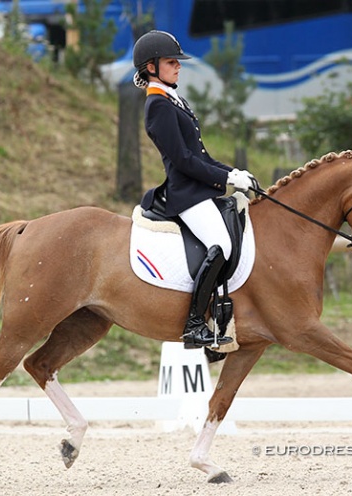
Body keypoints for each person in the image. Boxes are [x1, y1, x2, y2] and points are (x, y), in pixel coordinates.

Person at [133, 30, 254, 349]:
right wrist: (226, 181)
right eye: (171, 62)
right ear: (151, 67)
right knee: (220, 244)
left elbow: (202, 155)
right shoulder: (157, 105)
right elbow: (184, 161)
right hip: (185, 194)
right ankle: (195, 323)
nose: (178, 67)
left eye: (177, 62)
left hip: (201, 190)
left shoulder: (174, 100)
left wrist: (234, 172)